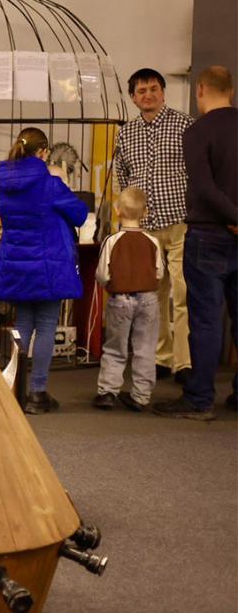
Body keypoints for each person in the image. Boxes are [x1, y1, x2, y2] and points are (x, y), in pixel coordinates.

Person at [153, 65, 237, 421]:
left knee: (205, 319)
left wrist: (234, 217)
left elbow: (204, 188)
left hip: (209, 235)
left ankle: (200, 398)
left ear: (200, 89)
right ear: (230, 90)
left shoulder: (197, 131)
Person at [0, 127, 89, 415]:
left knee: (23, 324)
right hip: (49, 265)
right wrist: (62, 182)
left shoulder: (3, 183)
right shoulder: (50, 184)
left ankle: (16, 389)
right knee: (46, 325)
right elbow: (80, 214)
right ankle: (38, 392)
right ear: (44, 153)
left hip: (17, 264)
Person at [114, 68, 194, 385]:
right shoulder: (126, 133)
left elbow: (197, 171)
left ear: (163, 92)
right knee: (152, 296)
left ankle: (184, 363)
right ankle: (161, 357)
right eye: (142, 91)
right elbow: (123, 177)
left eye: (154, 89)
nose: (148, 95)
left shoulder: (185, 125)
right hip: (145, 230)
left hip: (179, 223)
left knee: (183, 294)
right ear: (133, 98)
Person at [93, 187, 163, 411]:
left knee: (115, 346)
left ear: (117, 211)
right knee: (145, 348)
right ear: (145, 212)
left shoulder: (112, 241)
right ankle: (141, 396)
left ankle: (108, 392)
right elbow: (159, 273)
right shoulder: (153, 241)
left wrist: (109, 285)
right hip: (149, 299)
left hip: (120, 299)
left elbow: (102, 274)